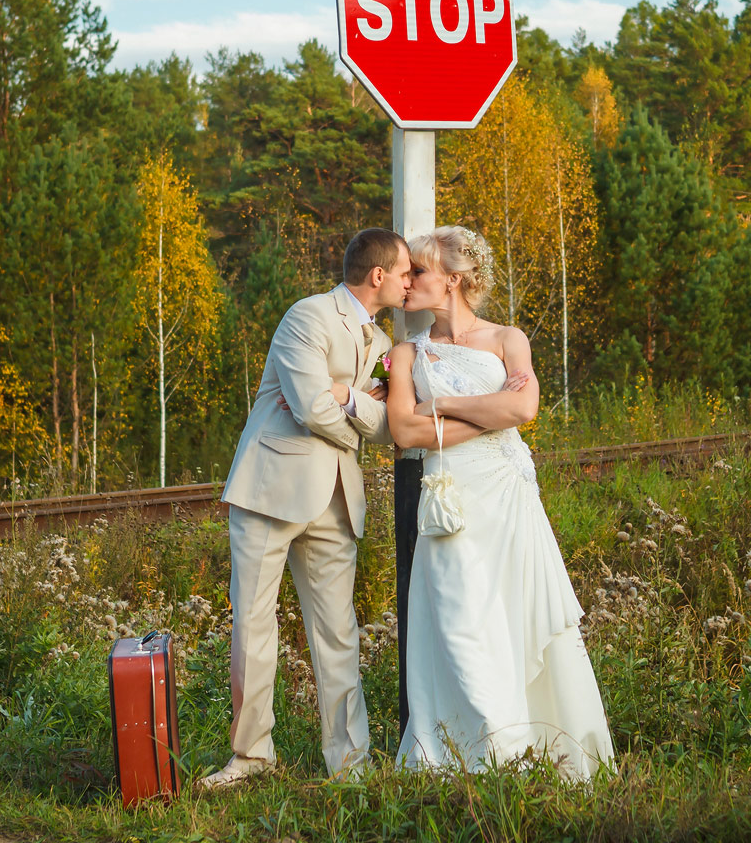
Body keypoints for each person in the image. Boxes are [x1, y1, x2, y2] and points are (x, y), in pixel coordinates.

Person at [386, 225, 613, 780]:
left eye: (418, 270)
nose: (408, 281)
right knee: (459, 621)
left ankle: (546, 752)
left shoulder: (509, 339)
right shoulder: (405, 352)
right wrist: (483, 414)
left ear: (453, 280)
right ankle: (484, 755)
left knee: (518, 616)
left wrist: (440, 404)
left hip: (507, 494)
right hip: (450, 502)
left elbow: (524, 410)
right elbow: (405, 432)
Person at [199, 228, 412, 789]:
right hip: (270, 489)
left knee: (339, 634)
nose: (411, 281)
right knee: (252, 624)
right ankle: (250, 757)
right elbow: (313, 409)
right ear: (378, 276)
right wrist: (351, 405)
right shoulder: (308, 316)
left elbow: (390, 427)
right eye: (406, 272)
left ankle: (350, 765)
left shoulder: (384, 346)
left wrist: (350, 402)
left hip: (337, 499)